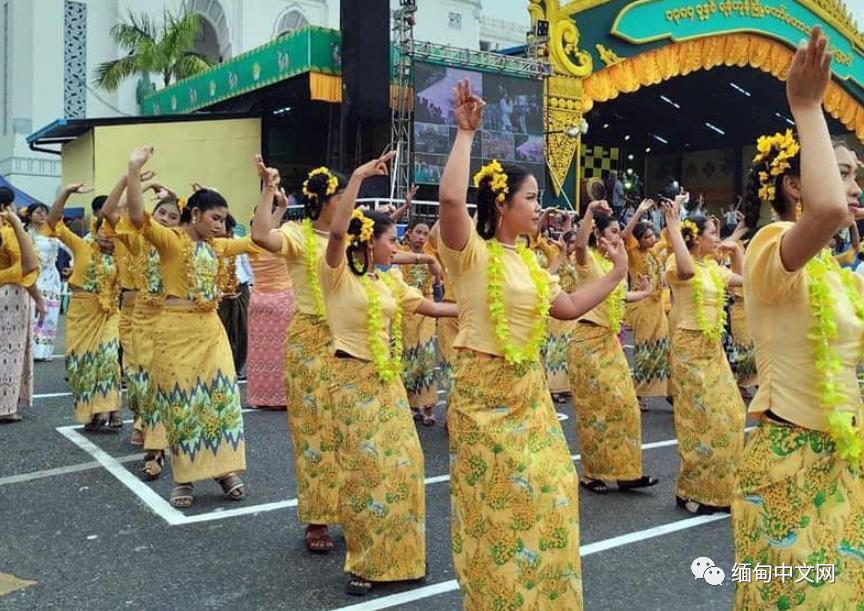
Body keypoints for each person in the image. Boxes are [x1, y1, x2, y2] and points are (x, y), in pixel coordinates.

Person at [437, 79, 630, 610]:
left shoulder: (530, 260)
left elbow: (566, 308)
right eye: (532, 198)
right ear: (503, 204)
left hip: (530, 395)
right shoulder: (470, 254)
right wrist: (463, 134)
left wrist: (618, 274)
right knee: (495, 505)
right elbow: (452, 198)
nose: (540, 208)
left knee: (554, 489)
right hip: (482, 397)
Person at [733, 27, 864, 607]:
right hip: (788, 462)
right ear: (794, 182)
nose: (853, 184)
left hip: (842, 456)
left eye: (858, 172)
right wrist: (807, 105)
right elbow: (830, 208)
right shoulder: (770, 244)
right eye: (843, 169)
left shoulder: (835, 272)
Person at [316, 155, 456, 595]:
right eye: (390, 241)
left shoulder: (387, 280)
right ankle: (364, 562)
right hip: (350, 380)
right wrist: (357, 177)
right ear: (367, 242)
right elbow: (337, 231)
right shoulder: (336, 275)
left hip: (386, 383)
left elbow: (428, 306)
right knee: (364, 471)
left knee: (404, 465)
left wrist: (472, 309)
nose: (395, 249)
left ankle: (402, 558)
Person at [126, 145, 259, 507]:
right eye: (215, 218)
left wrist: (268, 191)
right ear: (195, 214)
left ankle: (224, 470)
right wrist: (133, 171)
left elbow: (259, 239)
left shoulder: (217, 248)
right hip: (173, 331)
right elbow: (138, 216)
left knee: (221, 402)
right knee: (182, 405)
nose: (221, 225)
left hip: (210, 331)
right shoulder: (170, 242)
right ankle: (184, 480)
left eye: (224, 220)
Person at [663, 196, 746, 515]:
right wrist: (672, 226)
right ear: (696, 237)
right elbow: (685, 269)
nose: (717, 237)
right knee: (698, 421)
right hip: (689, 349)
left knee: (732, 414)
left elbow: (743, 282)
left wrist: (737, 250)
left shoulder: (714, 269)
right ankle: (691, 490)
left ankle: (722, 487)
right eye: (712, 232)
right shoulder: (676, 262)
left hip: (713, 350)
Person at [568, 201, 658, 494]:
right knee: (594, 410)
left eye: (621, 232)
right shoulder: (587, 261)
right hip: (586, 340)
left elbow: (617, 298)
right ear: (599, 234)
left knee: (625, 404)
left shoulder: (612, 267)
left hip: (609, 342)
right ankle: (591, 473)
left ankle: (626, 472)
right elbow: (580, 242)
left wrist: (642, 292)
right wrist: (590, 213)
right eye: (615, 231)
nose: (620, 237)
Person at [47, 183, 123, 430]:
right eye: (104, 231)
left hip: (109, 312)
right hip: (81, 310)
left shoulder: (125, 256)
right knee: (81, 364)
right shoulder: (81, 246)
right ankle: (95, 411)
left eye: (113, 233)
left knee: (109, 358)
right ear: (96, 230)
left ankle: (108, 410)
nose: (107, 237)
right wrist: (67, 193)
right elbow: (53, 221)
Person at [245, 191, 294, 410]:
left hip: (258, 299)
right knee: (282, 351)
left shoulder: (248, 244)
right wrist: (281, 208)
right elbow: (266, 232)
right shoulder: (280, 239)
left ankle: (261, 395)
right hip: (283, 300)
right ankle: (282, 396)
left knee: (260, 352)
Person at [622, 199, 671, 406]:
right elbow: (625, 235)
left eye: (653, 235)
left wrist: (672, 211)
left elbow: (670, 235)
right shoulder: (633, 253)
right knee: (645, 349)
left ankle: (668, 391)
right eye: (647, 236)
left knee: (663, 348)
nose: (652, 239)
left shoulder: (653, 252)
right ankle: (639, 393)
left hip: (658, 307)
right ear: (638, 241)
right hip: (642, 306)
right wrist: (639, 212)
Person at [0, 204, 42, 423]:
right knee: (9, 353)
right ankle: (5, 408)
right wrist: (17, 223)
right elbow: (29, 266)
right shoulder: (8, 232)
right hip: (8, 295)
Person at [400, 217, 441, 425]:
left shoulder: (431, 253)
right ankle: (411, 404)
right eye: (418, 232)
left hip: (427, 306)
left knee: (426, 353)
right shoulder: (400, 251)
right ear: (408, 232)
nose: (422, 237)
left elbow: (438, 275)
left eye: (425, 233)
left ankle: (428, 407)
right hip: (406, 310)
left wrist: (430, 261)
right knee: (409, 357)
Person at [23, 202, 69, 361]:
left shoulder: (53, 233)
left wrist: (73, 268)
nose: (42, 216)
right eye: (38, 213)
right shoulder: (24, 232)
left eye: (45, 213)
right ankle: (30, 349)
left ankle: (43, 351)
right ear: (30, 216)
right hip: (31, 276)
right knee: (32, 312)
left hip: (50, 277)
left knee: (48, 314)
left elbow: (73, 248)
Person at [217, 214, 252, 379]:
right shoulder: (209, 244)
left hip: (241, 288)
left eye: (223, 224)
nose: (219, 227)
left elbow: (247, 266)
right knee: (222, 328)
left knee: (241, 328)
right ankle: (223, 366)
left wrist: (252, 288)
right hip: (219, 292)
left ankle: (237, 367)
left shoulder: (238, 241)